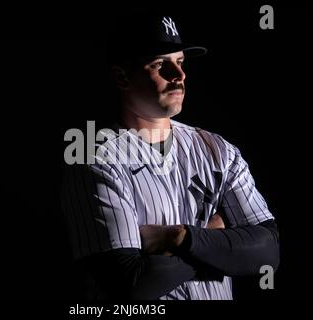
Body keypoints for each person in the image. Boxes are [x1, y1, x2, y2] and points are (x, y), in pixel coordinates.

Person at [61, 13, 279, 300]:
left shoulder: (219, 151)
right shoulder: (94, 156)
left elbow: (267, 253)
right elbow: (130, 284)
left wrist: (181, 238)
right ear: (121, 76)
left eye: (181, 62)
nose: (178, 75)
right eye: (160, 64)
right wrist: (216, 244)